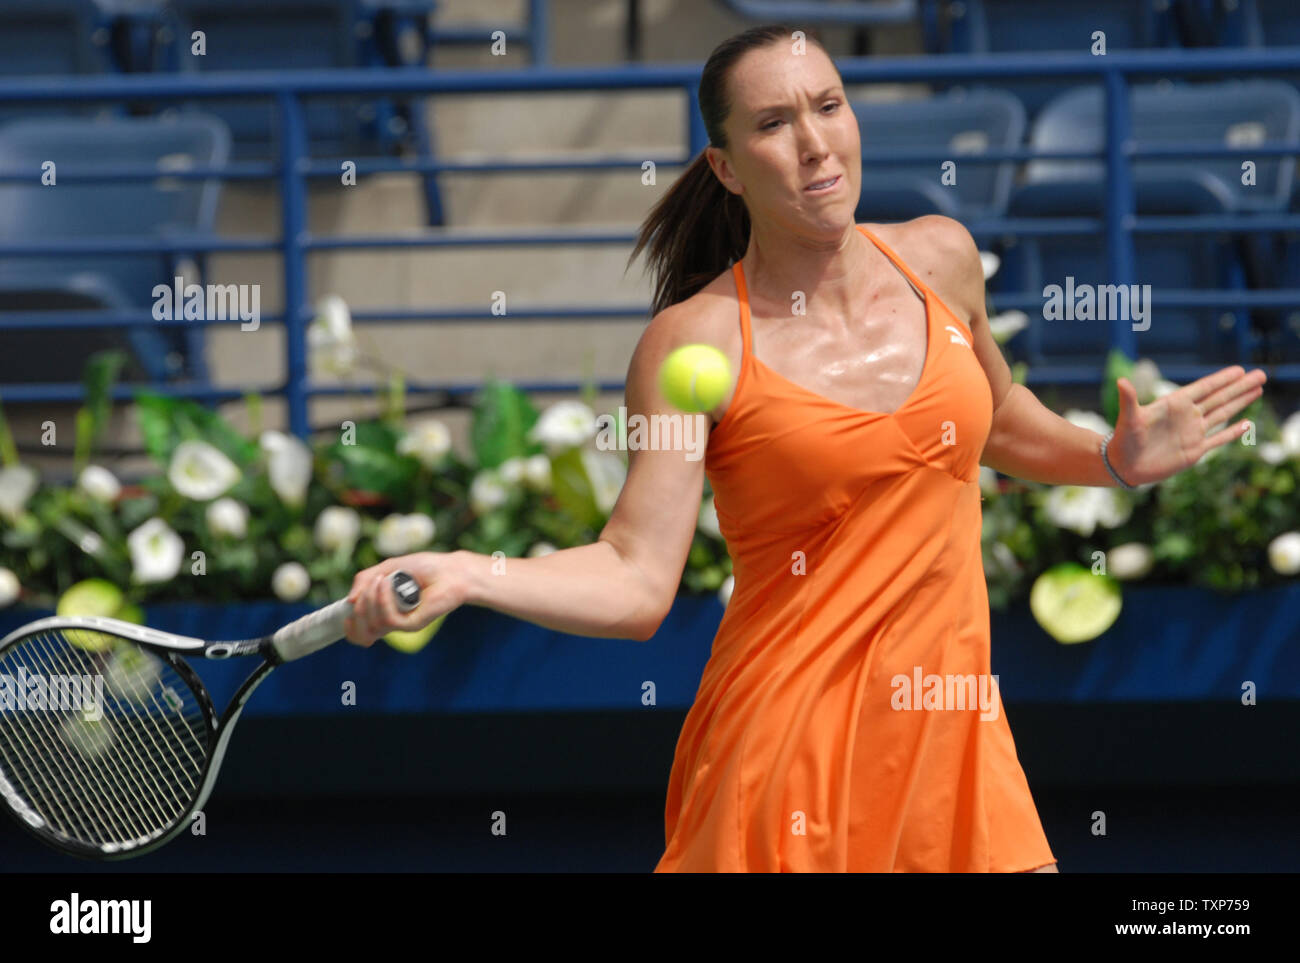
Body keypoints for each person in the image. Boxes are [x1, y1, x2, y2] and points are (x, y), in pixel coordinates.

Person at [340, 24, 1267, 872]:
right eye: (775, 123)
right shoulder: (691, 346)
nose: (817, 142)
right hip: (786, 767)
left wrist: (1110, 458)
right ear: (728, 166)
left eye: (829, 106)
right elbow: (633, 575)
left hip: (958, 751)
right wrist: (471, 571)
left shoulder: (940, 257)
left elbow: (999, 417)